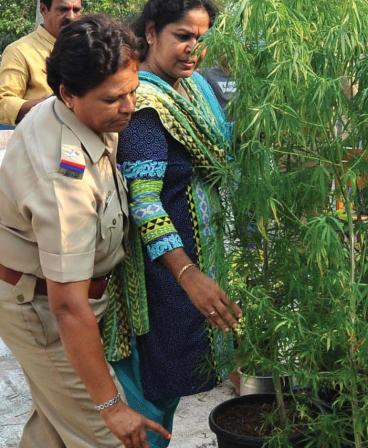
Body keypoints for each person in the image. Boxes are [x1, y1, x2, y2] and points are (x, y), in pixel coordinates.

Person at [0, 15, 170, 448]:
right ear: (68, 95)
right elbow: (68, 308)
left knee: (54, 430)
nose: (130, 107)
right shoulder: (63, 176)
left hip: (50, 296)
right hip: (43, 310)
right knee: (109, 437)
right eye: (115, 98)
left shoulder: (92, 117)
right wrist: (112, 407)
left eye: (133, 91)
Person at [104, 1, 241, 446]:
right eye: (182, 36)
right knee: (150, 397)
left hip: (190, 271)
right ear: (150, 32)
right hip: (163, 278)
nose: (193, 49)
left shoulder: (192, 88)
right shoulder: (145, 105)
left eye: (201, 39)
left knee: (170, 390)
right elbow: (146, 204)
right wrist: (189, 274)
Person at [0, 0, 82, 125]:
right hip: (42, 137)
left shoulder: (88, 48)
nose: (71, 16)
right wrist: (53, 106)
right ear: (43, 10)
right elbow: (3, 103)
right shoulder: (19, 51)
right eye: (63, 9)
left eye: (76, 10)